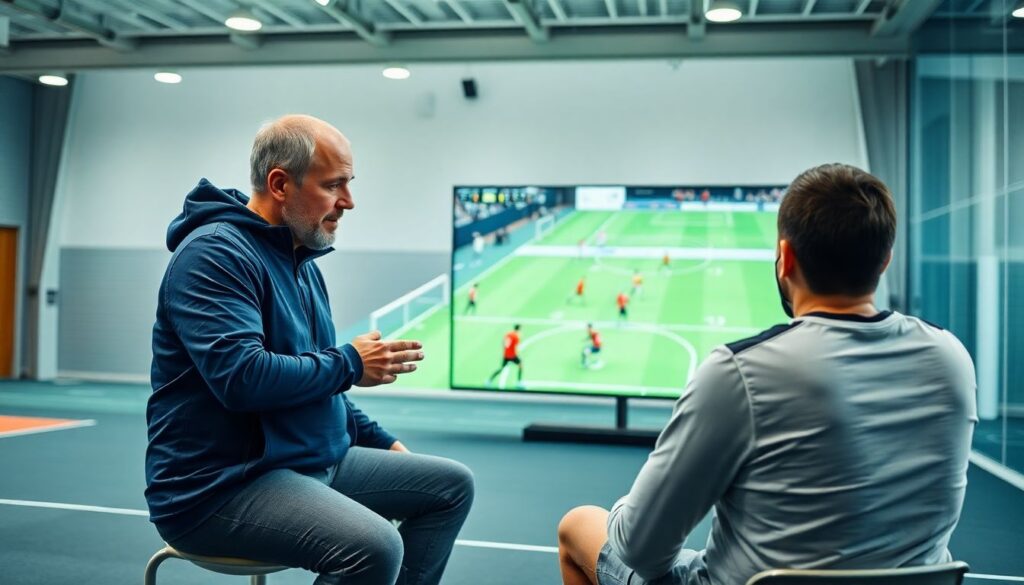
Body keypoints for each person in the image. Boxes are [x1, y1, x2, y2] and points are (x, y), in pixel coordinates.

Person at [557, 163, 977, 585]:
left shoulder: (740, 372)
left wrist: (624, 510)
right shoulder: (952, 359)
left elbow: (642, 552)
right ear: (884, 260)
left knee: (579, 524)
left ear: (786, 258)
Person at [145, 115, 474, 585]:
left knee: (450, 486)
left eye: (349, 184)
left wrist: (385, 444)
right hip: (222, 487)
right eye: (334, 185)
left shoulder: (301, 261)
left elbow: (320, 385)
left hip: (307, 463)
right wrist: (351, 362)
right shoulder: (214, 254)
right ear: (280, 183)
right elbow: (243, 379)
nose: (349, 202)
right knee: (375, 546)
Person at [486, 324, 523, 388]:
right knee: (520, 365)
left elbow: (503, 343)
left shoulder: (508, 334)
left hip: (506, 355)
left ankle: (489, 380)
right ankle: (518, 382)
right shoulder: (516, 336)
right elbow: (516, 346)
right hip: (512, 355)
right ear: (519, 329)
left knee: (501, 369)